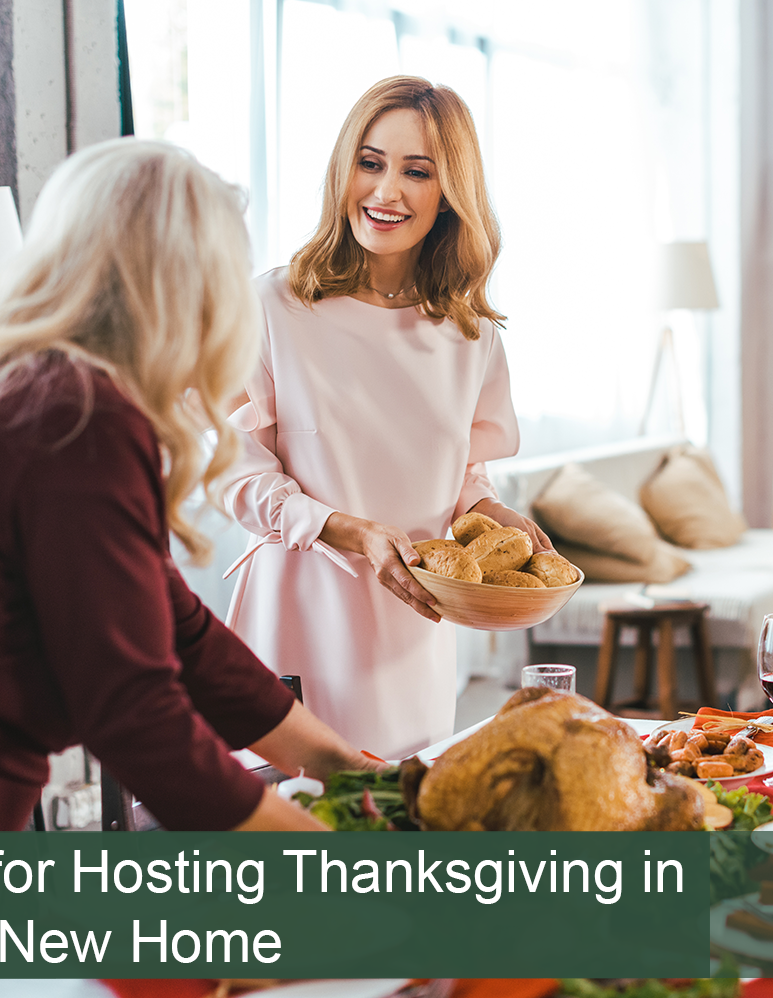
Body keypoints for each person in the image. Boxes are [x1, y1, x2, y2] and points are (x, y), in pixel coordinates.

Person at [0, 140, 382, 832]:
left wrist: (343, 767)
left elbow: (181, 634)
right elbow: (138, 718)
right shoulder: (76, 421)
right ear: (189, 294)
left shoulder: (26, 389)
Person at [223, 77, 547, 759]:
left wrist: (494, 514)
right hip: (301, 613)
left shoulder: (469, 333)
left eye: (416, 172)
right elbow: (231, 468)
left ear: (450, 193)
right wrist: (349, 530)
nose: (386, 191)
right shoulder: (274, 308)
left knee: (401, 831)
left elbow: (459, 477)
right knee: (298, 835)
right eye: (370, 163)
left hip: (413, 627)